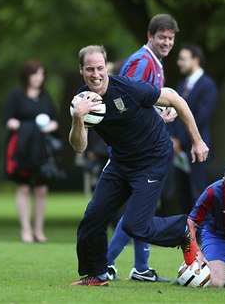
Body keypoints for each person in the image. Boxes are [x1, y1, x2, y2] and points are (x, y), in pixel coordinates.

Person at [69, 45, 208, 286]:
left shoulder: (128, 88)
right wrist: (77, 118)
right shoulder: (83, 100)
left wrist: (196, 141)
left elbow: (176, 99)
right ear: (81, 70)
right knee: (92, 219)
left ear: (106, 67)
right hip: (121, 162)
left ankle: (182, 229)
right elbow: (79, 146)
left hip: (152, 160)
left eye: (100, 68)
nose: (96, 74)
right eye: (89, 69)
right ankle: (97, 274)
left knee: (136, 225)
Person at [107, 14, 179, 283]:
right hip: (136, 150)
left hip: (142, 146)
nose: (166, 42)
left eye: (171, 38)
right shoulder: (141, 61)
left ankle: (141, 267)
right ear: (150, 36)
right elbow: (126, 100)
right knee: (137, 211)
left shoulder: (154, 61)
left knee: (142, 209)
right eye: (162, 37)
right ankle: (105, 262)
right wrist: (158, 118)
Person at [3, 59, 59, 243]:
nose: (39, 78)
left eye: (42, 74)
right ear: (27, 76)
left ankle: (39, 230)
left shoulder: (45, 97)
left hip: (42, 148)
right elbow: (7, 120)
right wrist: (25, 126)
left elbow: (55, 120)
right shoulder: (16, 96)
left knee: (42, 189)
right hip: (22, 147)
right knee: (24, 187)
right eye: (35, 74)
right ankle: (25, 230)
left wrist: (48, 127)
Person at [171, 43, 218, 214]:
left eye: (183, 59)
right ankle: (188, 234)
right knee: (183, 194)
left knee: (198, 192)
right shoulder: (181, 85)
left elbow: (201, 118)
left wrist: (179, 139)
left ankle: (202, 233)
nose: (179, 63)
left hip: (198, 149)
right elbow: (173, 114)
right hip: (178, 152)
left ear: (196, 60)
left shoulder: (208, 85)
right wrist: (172, 138)